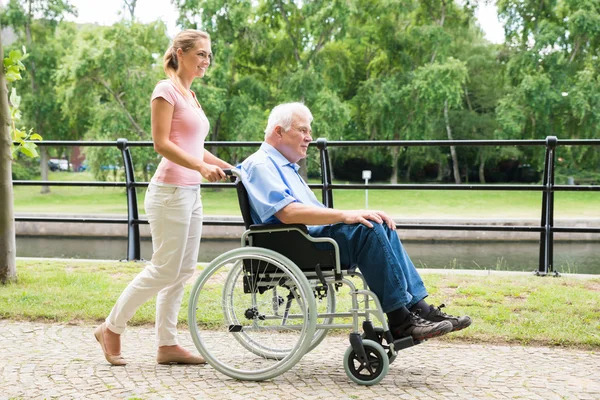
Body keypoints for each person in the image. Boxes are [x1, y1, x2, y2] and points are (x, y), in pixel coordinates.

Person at [239, 102, 472, 342]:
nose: (309, 137)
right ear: (279, 131)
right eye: (303, 130)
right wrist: (345, 215)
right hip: (297, 246)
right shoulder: (261, 165)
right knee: (367, 229)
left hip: (309, 240)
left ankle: (420, 310)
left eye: (309, 131)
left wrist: (352, 214)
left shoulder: (285, 167)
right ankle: (400, 320)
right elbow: (287, 213)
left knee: (379, 223)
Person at [94, 29, 232, 366]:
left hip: (190, 192)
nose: (206, 60)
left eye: (209, 55)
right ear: (181, 53)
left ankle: (167, 344)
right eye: (201, 53)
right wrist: (200, 166)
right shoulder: (165, 91)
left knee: (183, 270)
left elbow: (195, 147)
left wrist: (230, 167)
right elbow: (162, 144)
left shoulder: (191, 95)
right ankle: (111, 328)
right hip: (169, 192)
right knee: (163, 268)